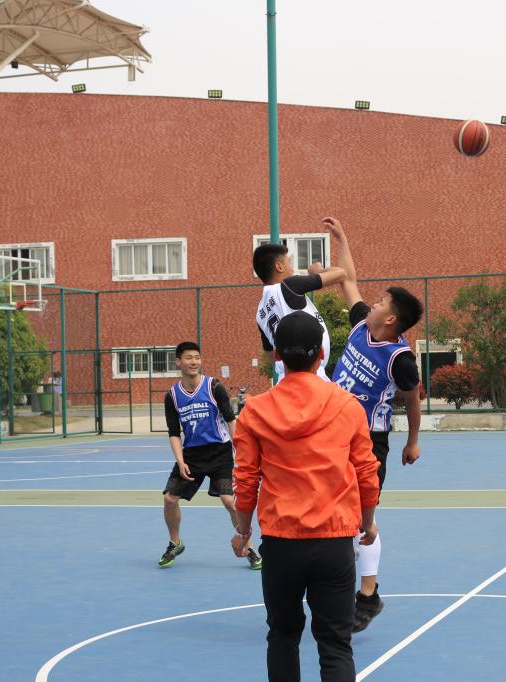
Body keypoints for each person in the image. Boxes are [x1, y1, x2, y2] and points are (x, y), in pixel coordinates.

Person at [231, 311, 380, 682]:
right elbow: (366, 472)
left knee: (283, 636)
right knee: (335, 644)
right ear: (322, 354)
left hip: (281, 542)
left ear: (277, 354)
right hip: (333, 541)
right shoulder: (347, 406)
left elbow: (245, 480)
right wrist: (368, 523)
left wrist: (243, 531)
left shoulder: (255, 411)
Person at [324, 216, 423, 632]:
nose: (373, 304)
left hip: (367, 441)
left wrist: (413, 441)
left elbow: (413, 398)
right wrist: (342, 240)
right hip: (330, 434)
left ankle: (368, 594)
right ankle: (345, 575)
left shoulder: (401, 359)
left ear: (392, 320)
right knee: (333, 512)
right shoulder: (363, 325)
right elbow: (348, 281)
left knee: (361, 516)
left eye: (381, 303)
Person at [158, 341, 261, 570]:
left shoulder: (214, 387)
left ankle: (248, 546)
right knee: (169, 499)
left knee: (229, 501)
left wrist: (241, 452)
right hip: (192, 456)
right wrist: (180, 461)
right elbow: (174, 432)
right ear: (178, 361)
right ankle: (175, 543)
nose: (194, 362)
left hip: (220, 453)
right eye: (189, 358)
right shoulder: (172, 396)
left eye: (197, 357)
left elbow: (231, 421)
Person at [253, 242, 345, 382]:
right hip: (311, 375)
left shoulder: (260, 311)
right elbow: (342, 273)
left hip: (285, 378)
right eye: (289, 262)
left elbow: (270, 353)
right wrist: (319, 271)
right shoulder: (289, 285)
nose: (292, 268)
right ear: (279, 266)